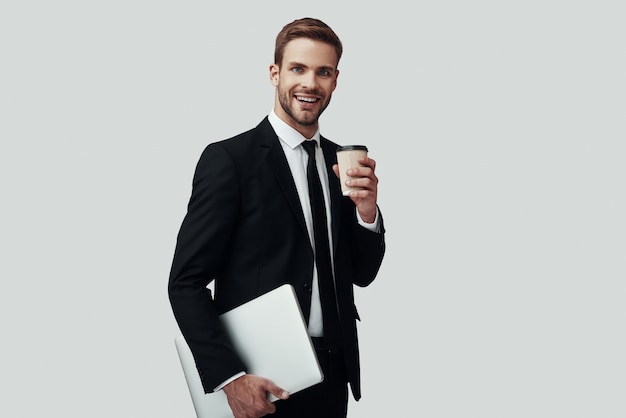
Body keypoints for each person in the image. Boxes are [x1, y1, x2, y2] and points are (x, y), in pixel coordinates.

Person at [168, 17, 385, 418]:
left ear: (336, 80)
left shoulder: (342, 161)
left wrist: (367, 213)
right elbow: (185, 283)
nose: (310, 84)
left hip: (332, 375)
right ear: (275, 73)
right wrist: (231, 378)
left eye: (323, 72)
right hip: (260, 378)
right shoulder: (230, 160)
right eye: (297, 69)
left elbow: (363, 273)